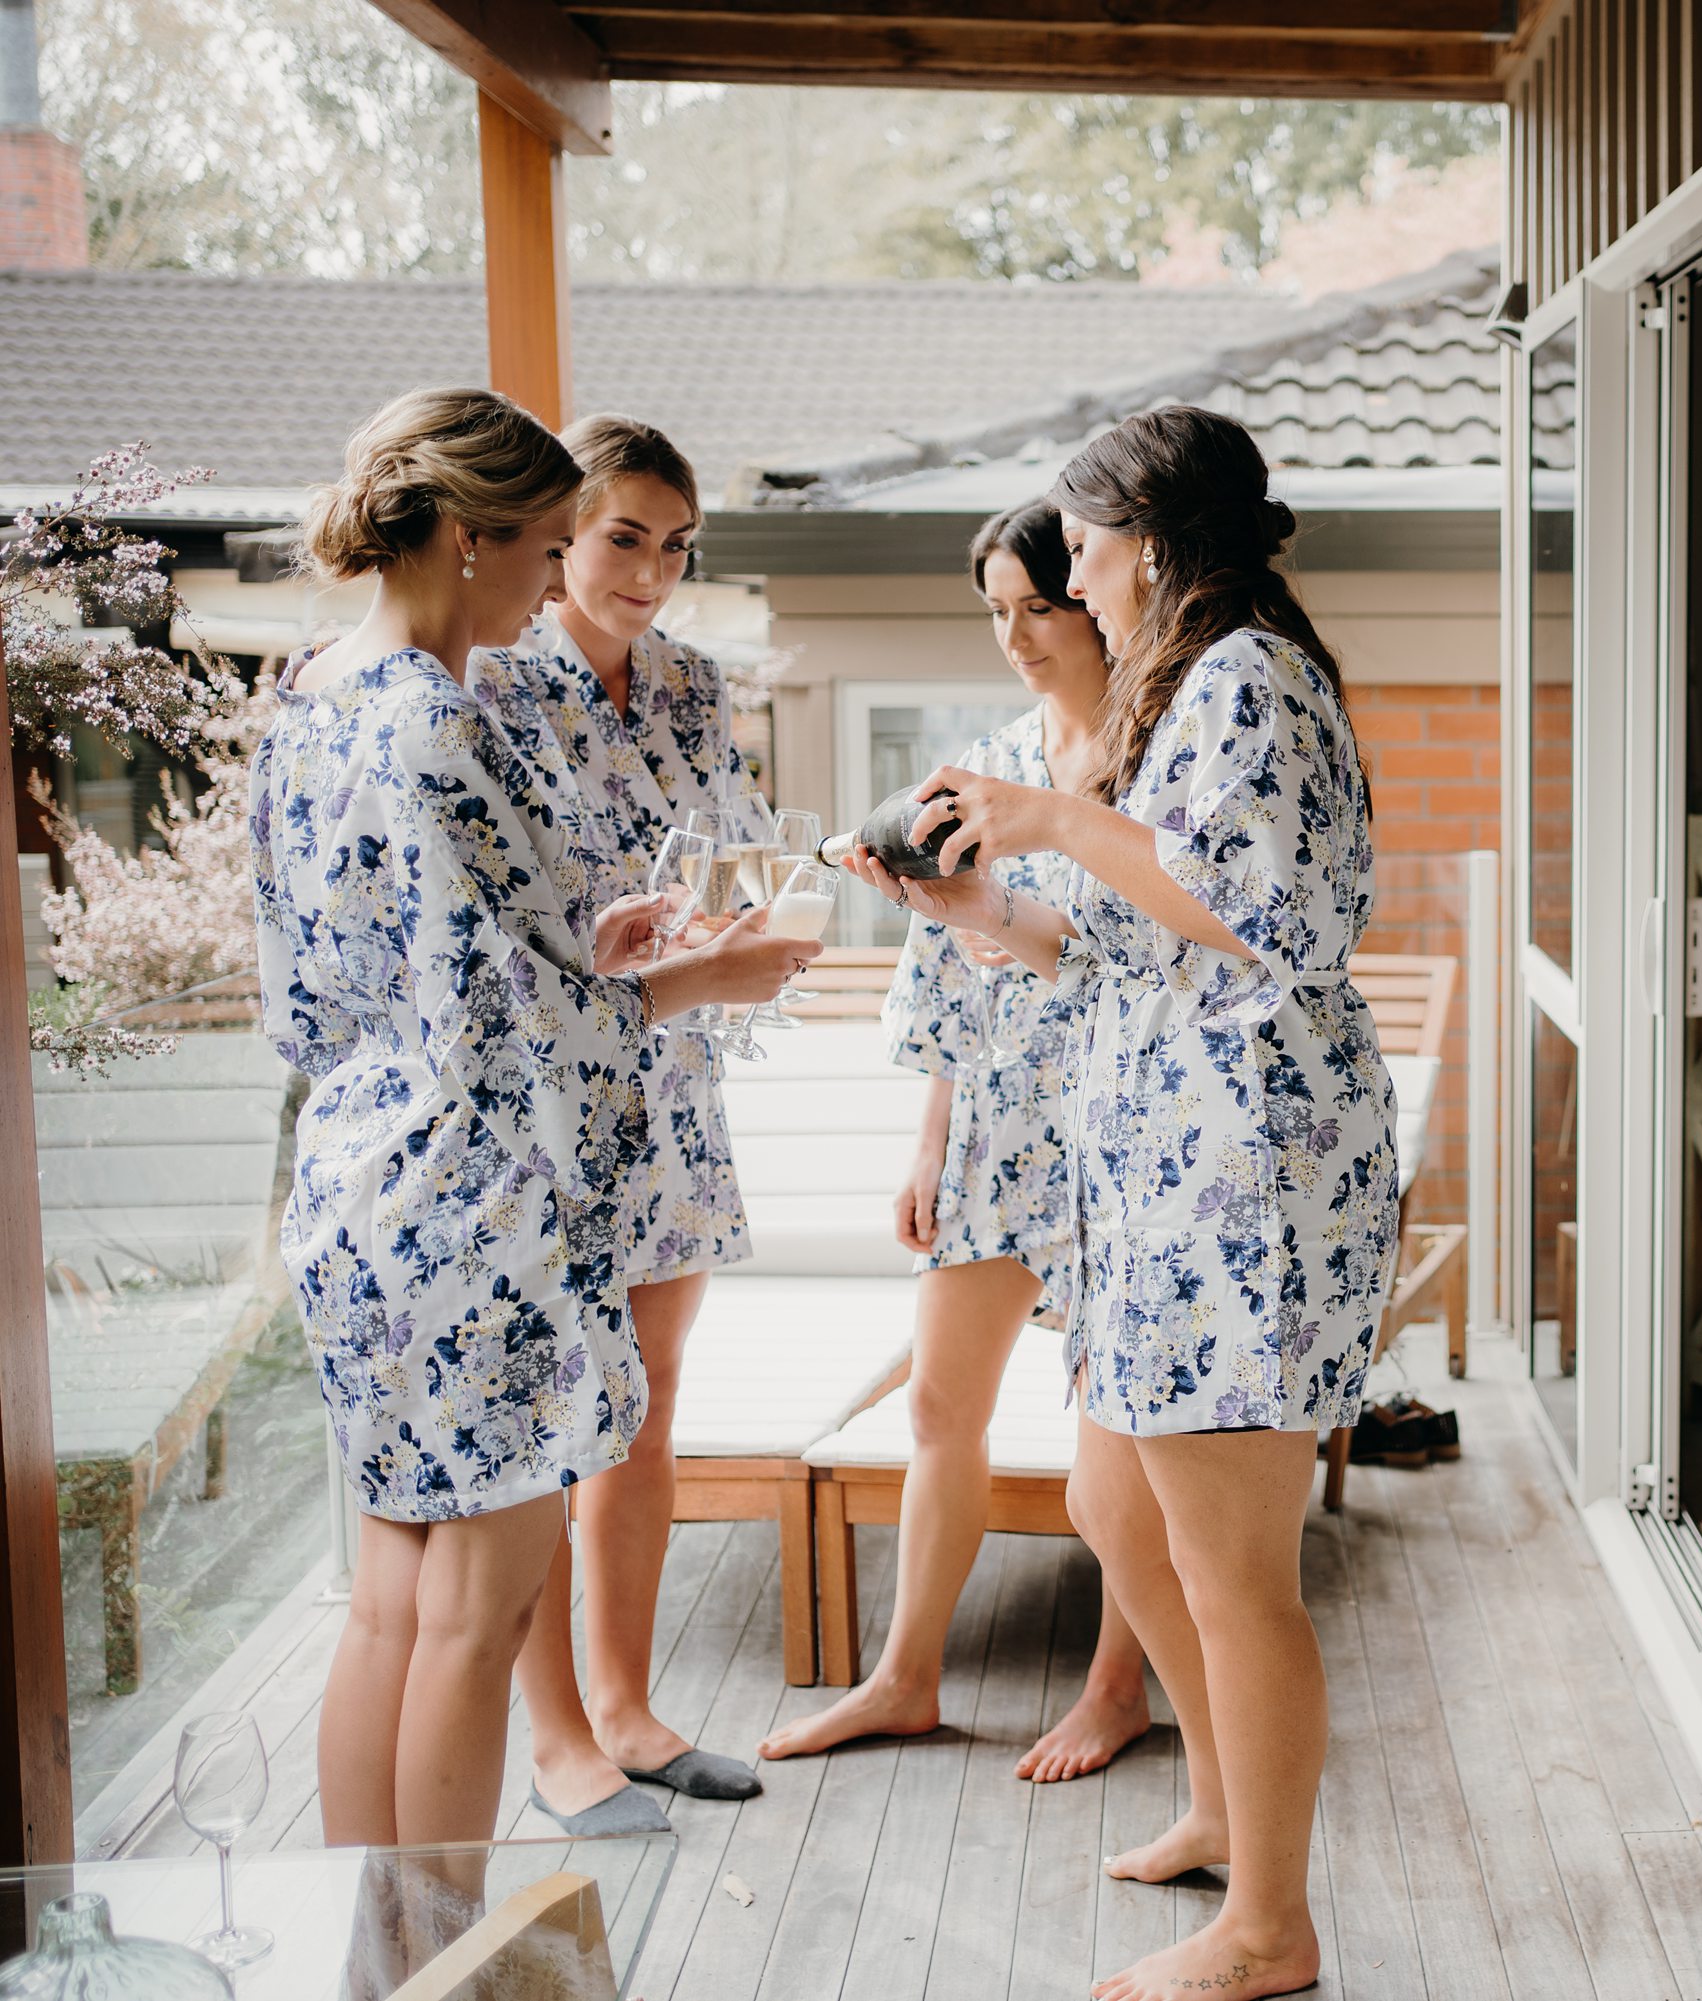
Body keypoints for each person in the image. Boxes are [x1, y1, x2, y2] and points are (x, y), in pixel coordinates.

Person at [843, 407, 1394, 2001]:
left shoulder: (1246, 681)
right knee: (1121, 1506)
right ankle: (1227, 1816)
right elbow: (1115, 943)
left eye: (1078, 551)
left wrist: (1060, 816)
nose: (1069, 581)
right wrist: (975, 903)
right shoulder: (1193, 687)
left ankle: (1272, 1931)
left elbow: (1259, 917)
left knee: (1236, 1572)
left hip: (1244, 1175)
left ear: (1146, 540)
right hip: (1168, 1171)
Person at [247, 388, 817, 1867]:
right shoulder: (442, 723)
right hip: (474, 1207)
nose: (556, 574)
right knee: (476, 1614)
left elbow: (317, 996)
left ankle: (375, 1953)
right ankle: (438, 1952)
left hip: (353, 1187)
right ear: (465, 533)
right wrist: (698, 975)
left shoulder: (310, 696)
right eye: (552, 542)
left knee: (389, 1604)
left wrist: (586, 947)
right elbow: (509, 1037)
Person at [758, 502, 1154, 1778]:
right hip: (994, 1126)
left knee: (1120, 1433)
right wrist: (930, 1141)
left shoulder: (1158, 764)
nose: (1018, 635)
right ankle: (905, 1678)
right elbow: (945, 956)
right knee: (941, 1402)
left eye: (1038, 603)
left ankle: (1115, 1687)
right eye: (997, 611)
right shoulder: (982, 759)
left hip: (1123, 1136)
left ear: (1094, 593)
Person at [470, 417, 769, 1830]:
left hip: (672, 1085)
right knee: (552, 1422)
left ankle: (633, 1709)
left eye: (673, 544)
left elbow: (731, 839)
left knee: (643, 1415)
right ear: (563, 534)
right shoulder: (489, 681)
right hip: (545, 1099)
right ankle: (557, 1737)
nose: (651, 571)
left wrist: (741, 922)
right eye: (623, 538)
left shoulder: (698, 689)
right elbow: (507, 932)